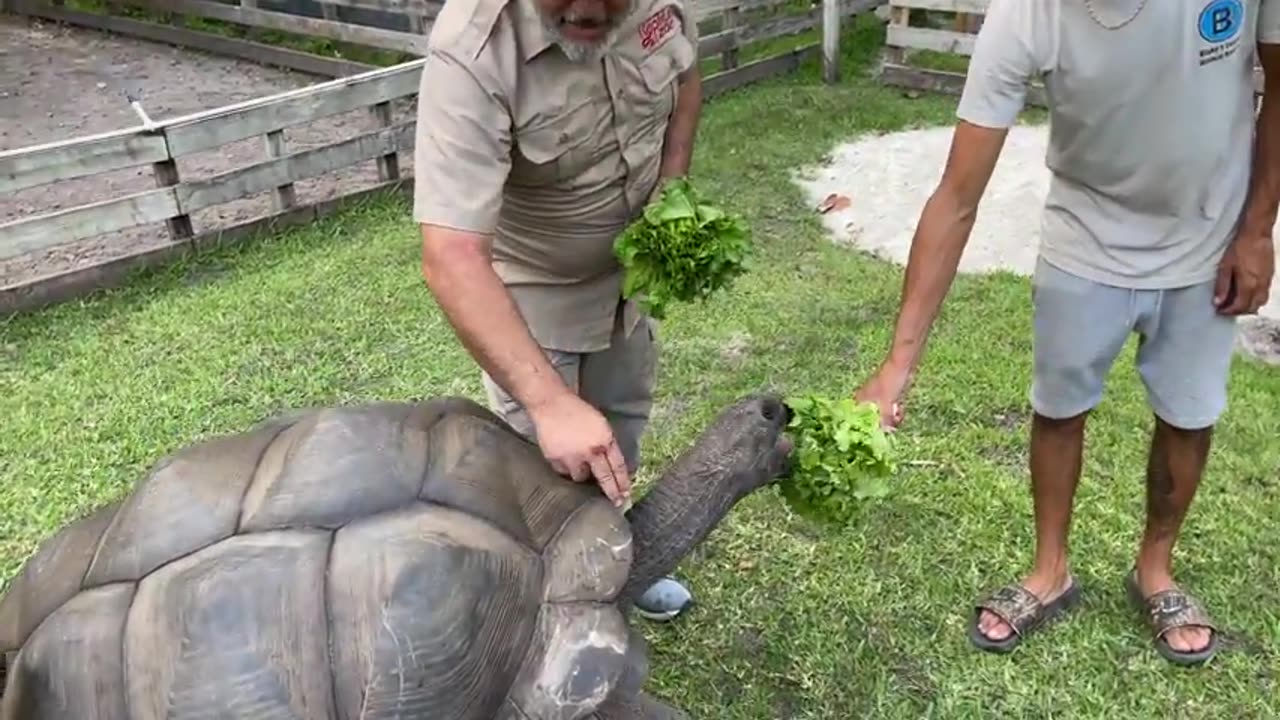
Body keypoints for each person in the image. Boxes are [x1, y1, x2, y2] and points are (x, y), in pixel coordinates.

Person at [854, 0, 1278, 666]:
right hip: (1085, 239)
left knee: (1190, 415)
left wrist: (1256, 229)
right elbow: (956, 197)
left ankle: (1155, 570)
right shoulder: (1025, 13)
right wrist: (896, 365)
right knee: (1058, 409)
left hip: (1208, 240)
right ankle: (1050, 569)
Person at [411, 0, 704, 622]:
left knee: (619, 436)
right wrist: (548, 403)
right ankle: (542, 621)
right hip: (532, 297)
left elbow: (685, 78)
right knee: (538, 482)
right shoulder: (472, 49)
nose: (591, 10)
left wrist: (673, 190)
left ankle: (617, 565)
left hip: (626, 280)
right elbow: (452, 256)